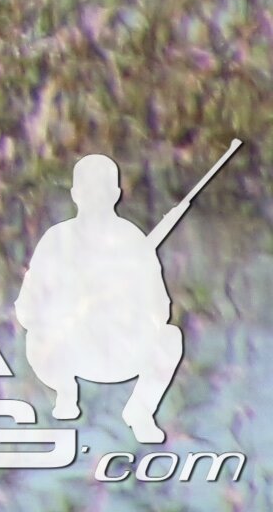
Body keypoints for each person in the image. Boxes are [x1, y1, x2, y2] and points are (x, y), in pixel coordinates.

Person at [18, 155, 186, 444]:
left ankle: (141, 411)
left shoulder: (134, 241)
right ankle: (65, 392)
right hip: (71, 352)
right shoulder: (56, 240)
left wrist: (125, 299)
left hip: (121, 350)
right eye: (88, 189)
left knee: (170, 339)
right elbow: (27, 309)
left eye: (102, 189)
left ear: (116, 194)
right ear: (75, 194)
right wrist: (68, 312)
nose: (95, 197)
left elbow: (161, 310)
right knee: (35, 338)